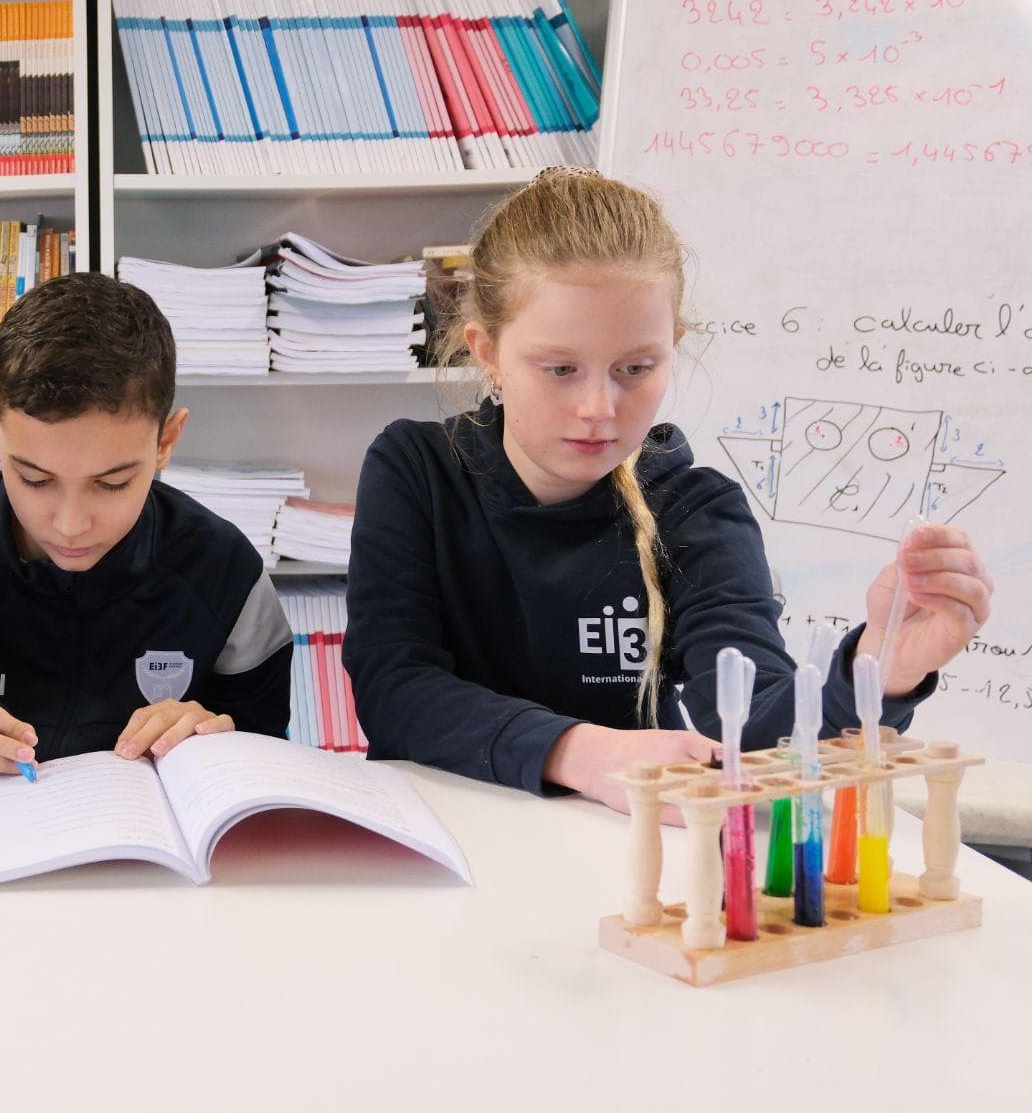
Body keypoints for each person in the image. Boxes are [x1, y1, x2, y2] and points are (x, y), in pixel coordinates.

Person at [343, 167, 993, 811]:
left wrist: (879, 668)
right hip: (438, 841)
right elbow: (395, 690)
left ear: (672, 347)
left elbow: (750, 729)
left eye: (635, 367)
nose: (599, 408)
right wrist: (581, 753)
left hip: (619, 856)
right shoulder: (416, 471)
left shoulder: (696, 510)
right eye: (560, 369)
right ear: (488, 352)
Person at [0, 272, 292, 775]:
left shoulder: (226, 575)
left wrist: (220, 740)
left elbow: (270, 757)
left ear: (166, 441)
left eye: (112, 483)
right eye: (35, 480)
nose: (70, 525)